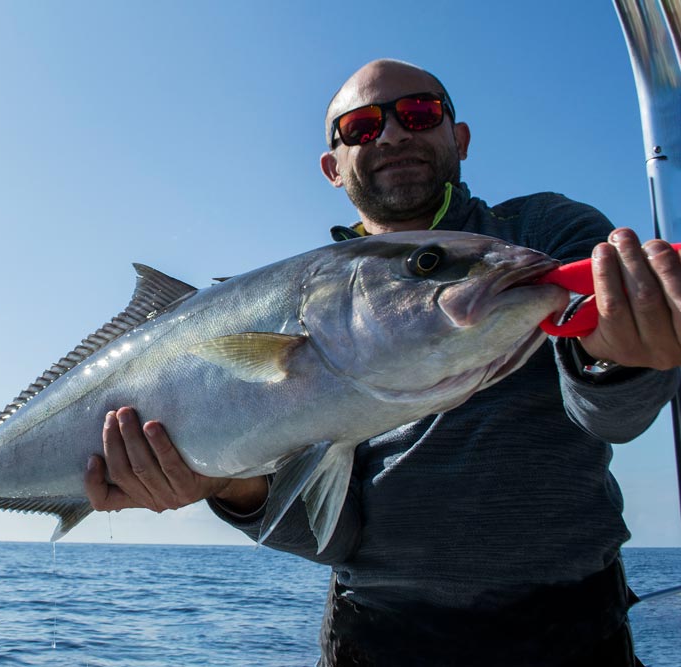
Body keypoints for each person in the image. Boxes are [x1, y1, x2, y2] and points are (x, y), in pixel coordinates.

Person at [83, 59, 681, 666]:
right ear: (332, 168)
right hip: (375, 636)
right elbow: (334, 537)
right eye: (362, 127)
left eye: (419, 113)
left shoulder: (540, 234)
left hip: (572, 628)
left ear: (460, 137)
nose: (393, 134)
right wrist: (229, 484)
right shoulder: (297, 300)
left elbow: (614, 419)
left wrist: (617, 365)